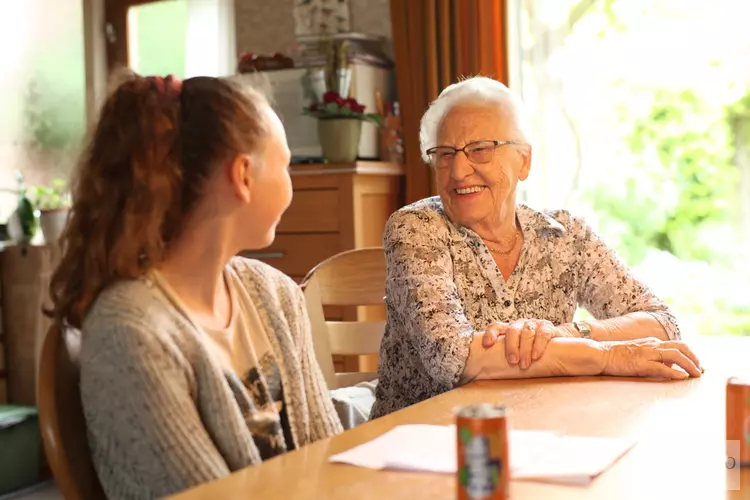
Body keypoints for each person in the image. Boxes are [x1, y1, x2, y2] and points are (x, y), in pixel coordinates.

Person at [47, 73, 343, 499]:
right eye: (286, 166)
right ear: (243, 175)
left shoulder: (275, 293)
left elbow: (327, 456)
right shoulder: (130, 331)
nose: (291, 184)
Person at [370, 76, 703, 419]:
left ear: (524, 161)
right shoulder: (416, 228)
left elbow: (661, 323)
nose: (458, 170)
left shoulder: (564, 234)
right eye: (444, 154)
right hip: (423, 440)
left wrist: (568, 333)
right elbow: (453, 356)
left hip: (538, 432)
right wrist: (607, 356)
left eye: (480, 149)